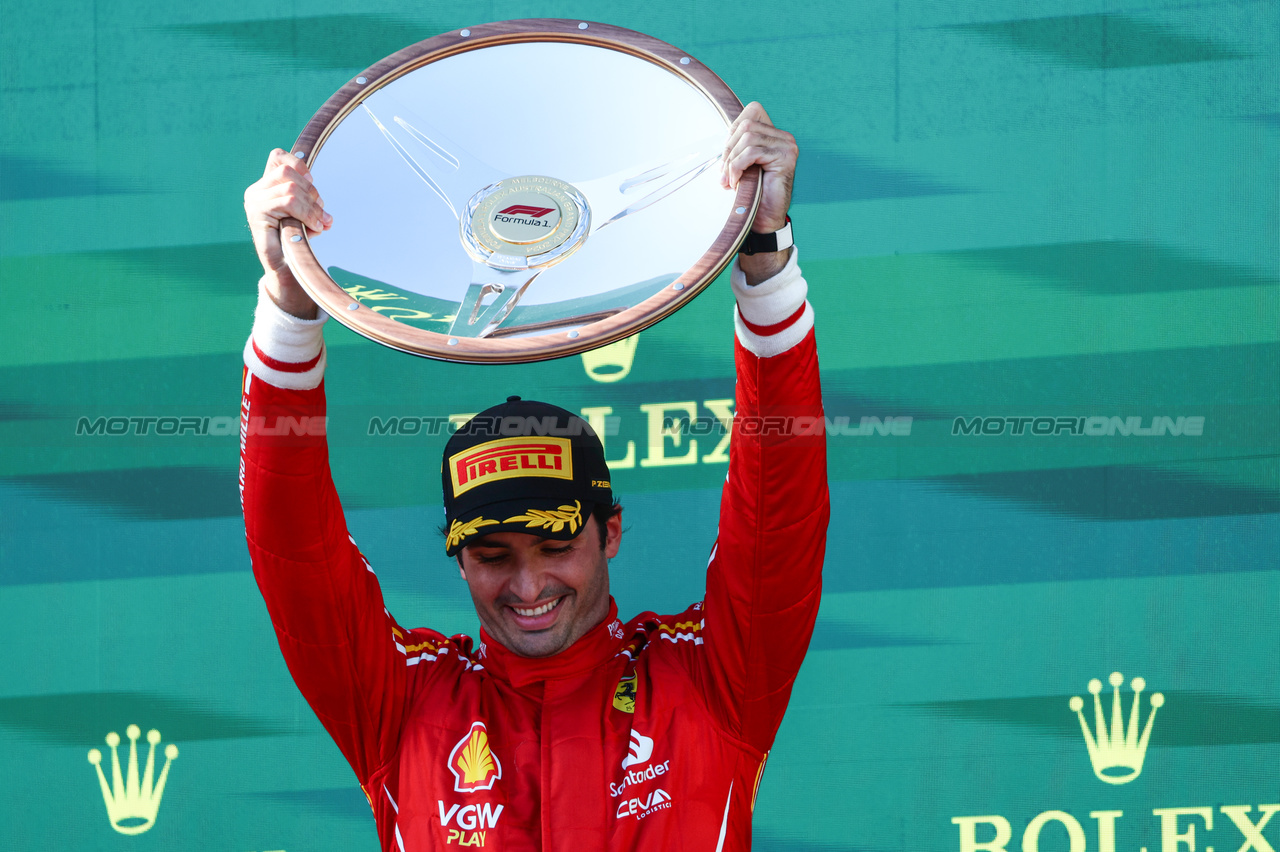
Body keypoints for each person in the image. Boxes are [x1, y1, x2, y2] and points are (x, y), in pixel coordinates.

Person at [240, 102, 829, 851]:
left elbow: (779, 515)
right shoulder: (404, 704)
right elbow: (293, 549)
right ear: (457, 559)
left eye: (554, 546)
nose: (527, 587)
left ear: (610, 531)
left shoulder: (710, 683)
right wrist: (291, 303)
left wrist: (765, 260)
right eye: (493, 556)